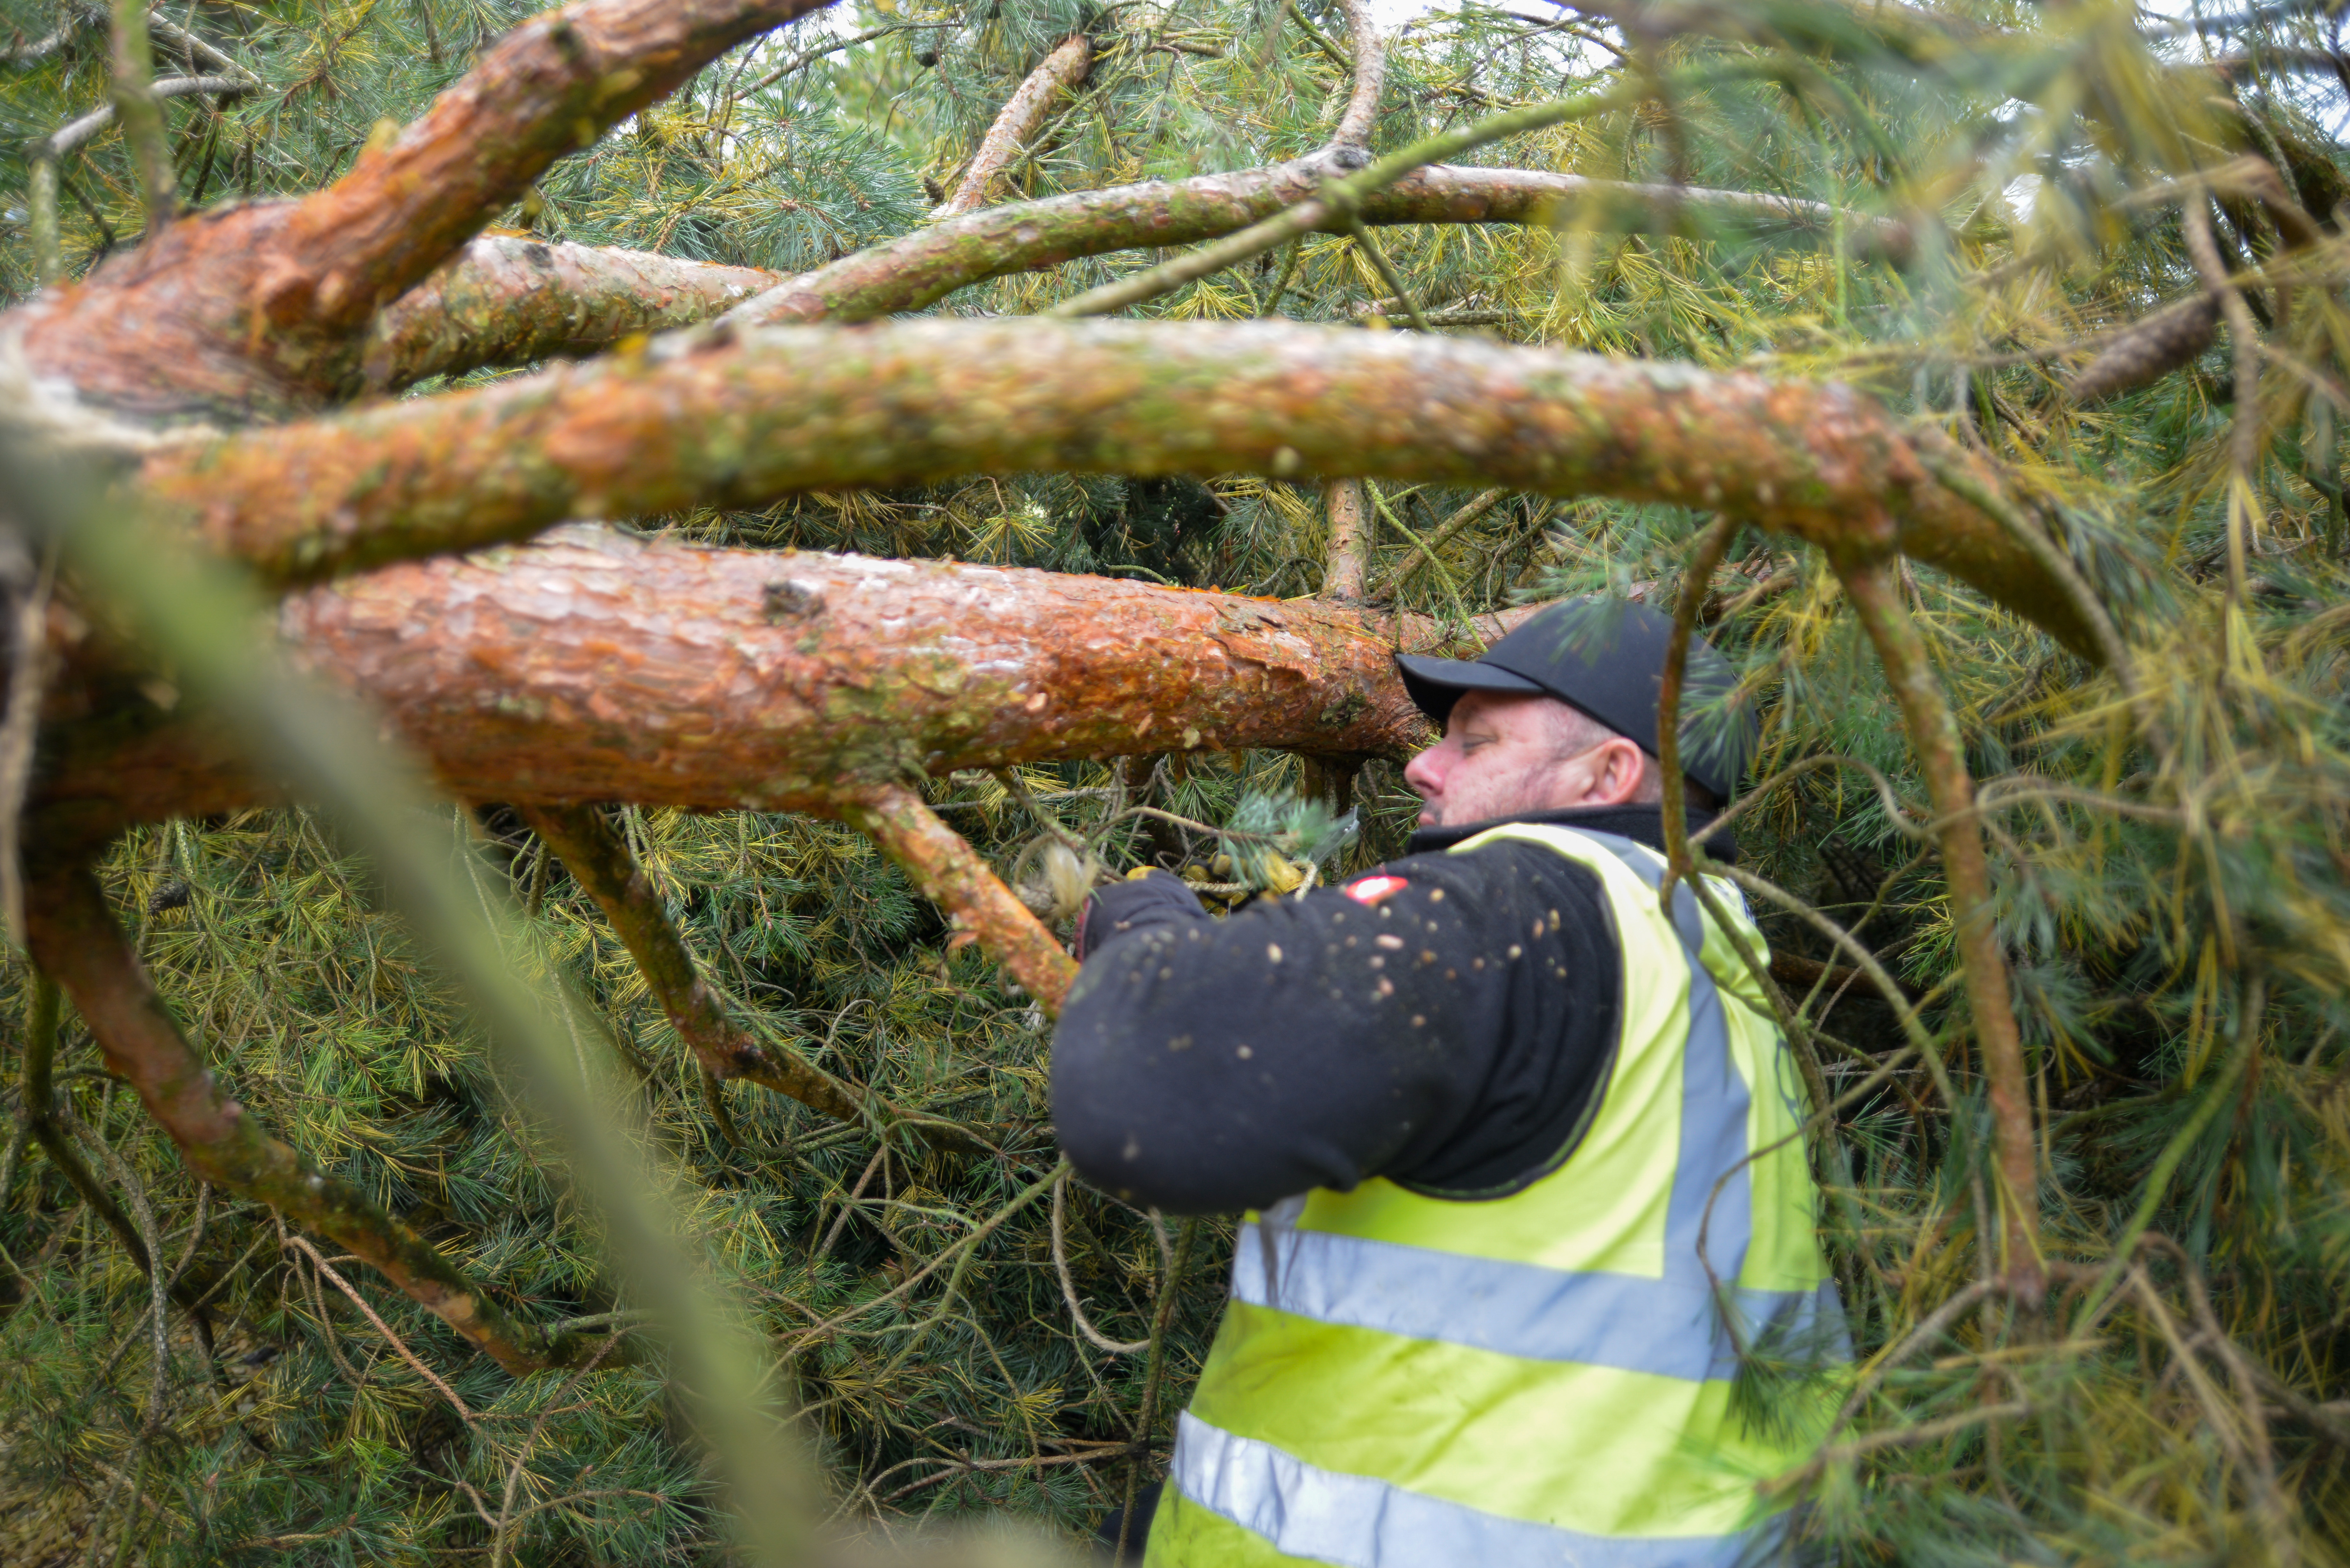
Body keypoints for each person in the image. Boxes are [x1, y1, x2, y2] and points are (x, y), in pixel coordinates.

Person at [1052, 598, 1845, 1568]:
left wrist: (1144, 942)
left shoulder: (1530, 903)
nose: (1424, 765)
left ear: (1610, 774)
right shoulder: (1722, 960)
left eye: (1476, 742)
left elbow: (1144, 1093)